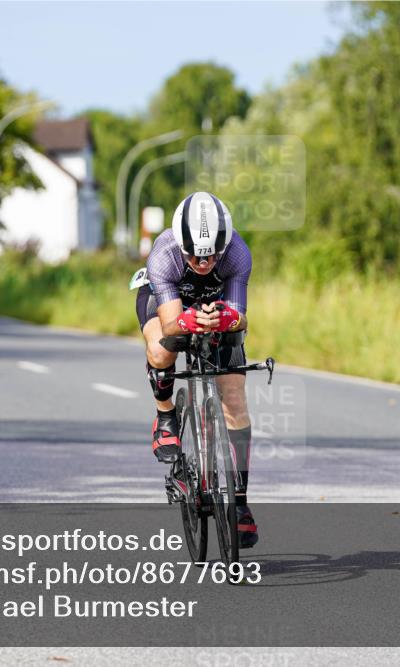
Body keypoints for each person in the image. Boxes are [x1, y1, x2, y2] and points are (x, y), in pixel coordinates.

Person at [135, 191, 257, 548]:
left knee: (234, 396)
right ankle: (166, 414)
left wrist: (228, 318)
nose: (203, 262)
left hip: (215, 302)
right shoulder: (165, 254)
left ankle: (240, 503)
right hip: (170, 300)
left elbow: (240, 317)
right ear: (180, 243)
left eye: (210, 255)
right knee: (160, 350)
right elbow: (171, 324)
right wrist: (188, 320)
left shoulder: (237, 253)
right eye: (194, 254)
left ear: (223, 245)